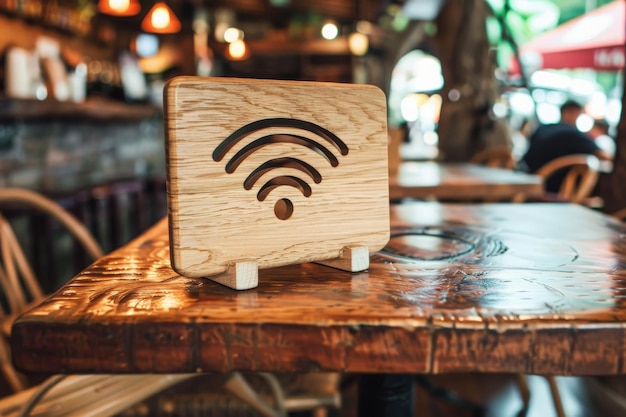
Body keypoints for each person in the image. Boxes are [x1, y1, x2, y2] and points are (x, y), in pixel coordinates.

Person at [520, 100, 613, 193]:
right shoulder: (572, 134)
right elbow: (604, 155)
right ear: (574, 112)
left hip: (527, 181)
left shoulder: (543, 128)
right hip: (550, 191)